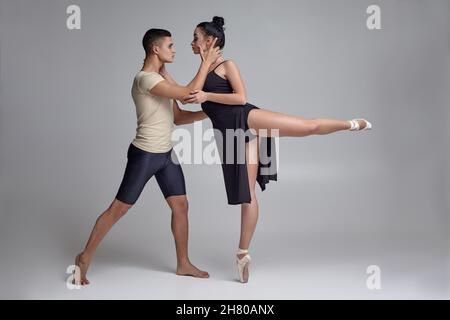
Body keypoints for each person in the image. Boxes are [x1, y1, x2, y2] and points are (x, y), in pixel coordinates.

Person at [183, 16, 372, 283]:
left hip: (247, 119)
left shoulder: (227, 65)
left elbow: (240, 98)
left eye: (195, 37)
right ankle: (242, 254)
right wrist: (191, 80)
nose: (191, 42)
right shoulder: (203, 71)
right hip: (231, 135)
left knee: (307, 127)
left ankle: (351, 124)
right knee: (247, 196)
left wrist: (207, 96)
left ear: (210, 40)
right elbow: (191, 101)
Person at [73, 28, 221, 285]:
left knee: (181, 206)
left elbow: (178, 116)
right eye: (170, 45)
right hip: (145, 155)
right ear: (156, 49)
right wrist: (207, 61)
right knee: (119, 209)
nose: (175, 49)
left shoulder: (160, 78)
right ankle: (84, 257)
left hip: (166, 155)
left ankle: (183, 263)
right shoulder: (145, 79)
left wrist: (211, 113)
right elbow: (188, 93)